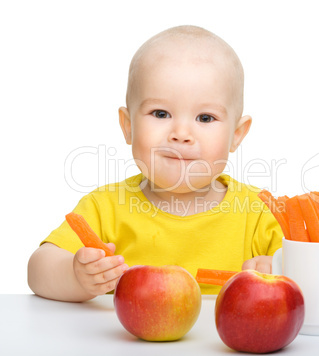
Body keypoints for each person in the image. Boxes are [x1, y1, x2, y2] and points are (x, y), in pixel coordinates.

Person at [28, 25, 283, 302]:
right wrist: (76, 276)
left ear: (236, 134)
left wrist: (282, 271)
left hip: (228, 343)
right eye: (160, 113)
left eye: (205, 118)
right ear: (128, 126)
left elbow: (315, 281)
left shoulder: (260, 214)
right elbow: (38, 269)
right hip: (125, 344)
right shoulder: (106, 208)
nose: (181, 134)